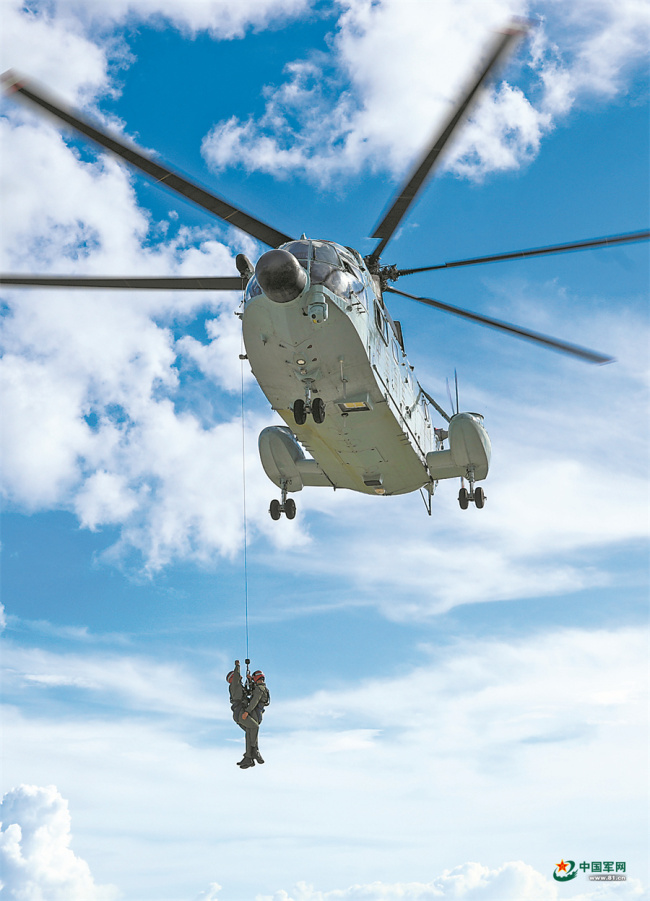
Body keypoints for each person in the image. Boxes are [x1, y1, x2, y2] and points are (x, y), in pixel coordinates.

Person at [226, 661, 270, 769]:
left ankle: (248, 758)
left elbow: (251, 693)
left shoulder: (239, 687)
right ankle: (255, 751)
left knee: (250, 733)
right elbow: (254, 700)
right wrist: (237, 666)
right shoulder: (234, 685)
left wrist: (250, 680)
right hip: (241, 713)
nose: (239, 676)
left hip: (241, 713)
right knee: (254, 727)